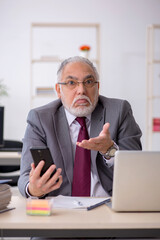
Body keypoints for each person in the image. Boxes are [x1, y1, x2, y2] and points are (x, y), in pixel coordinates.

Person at [18, 56, 142, 200]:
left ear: (98, 87)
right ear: (59, 89)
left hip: (107, 205)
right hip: (60, 209)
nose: (81, 90)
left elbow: (135, 170)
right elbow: (26, 176)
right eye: (71, 83)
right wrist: (33, 189)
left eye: (88, 82)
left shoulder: (119, 111)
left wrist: (109, 150)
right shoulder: (40, 118)